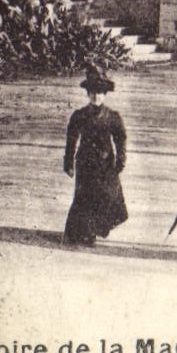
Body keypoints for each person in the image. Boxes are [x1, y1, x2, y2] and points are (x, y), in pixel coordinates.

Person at [63, 65, 128, 246]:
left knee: (105, 196)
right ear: (87, 93)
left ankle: (96, 228)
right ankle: (85, 232)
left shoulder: (113, 117)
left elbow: (121, 139)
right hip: (85, 162)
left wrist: (121, 160)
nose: (96, 96)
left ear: (105, 94)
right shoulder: (79, 115)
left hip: (106, 163)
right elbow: (71, 140)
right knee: (84, 197)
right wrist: (68, 163)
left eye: (99, 92)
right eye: (92, 92)